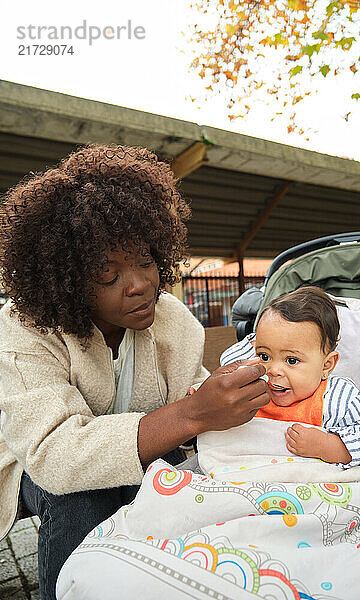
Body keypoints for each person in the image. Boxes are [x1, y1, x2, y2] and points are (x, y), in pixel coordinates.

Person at [0, 144, 270, 600]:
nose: (140, 283)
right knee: (83, 496)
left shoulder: (174, 321)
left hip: (137, 457)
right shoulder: (24, 331)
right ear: (63, 280)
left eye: (145, 261)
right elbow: (55, 455)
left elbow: (192, 390)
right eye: (108, 276)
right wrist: (193, 414)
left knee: (181, 482)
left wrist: (233, 395)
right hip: (30, 467)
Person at [253, 286, 360, 466]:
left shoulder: (339, 397)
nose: (273, 370)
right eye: (264, 356)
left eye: (292, 360)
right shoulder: (251, 389)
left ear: (327, 365)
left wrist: (327, 446)